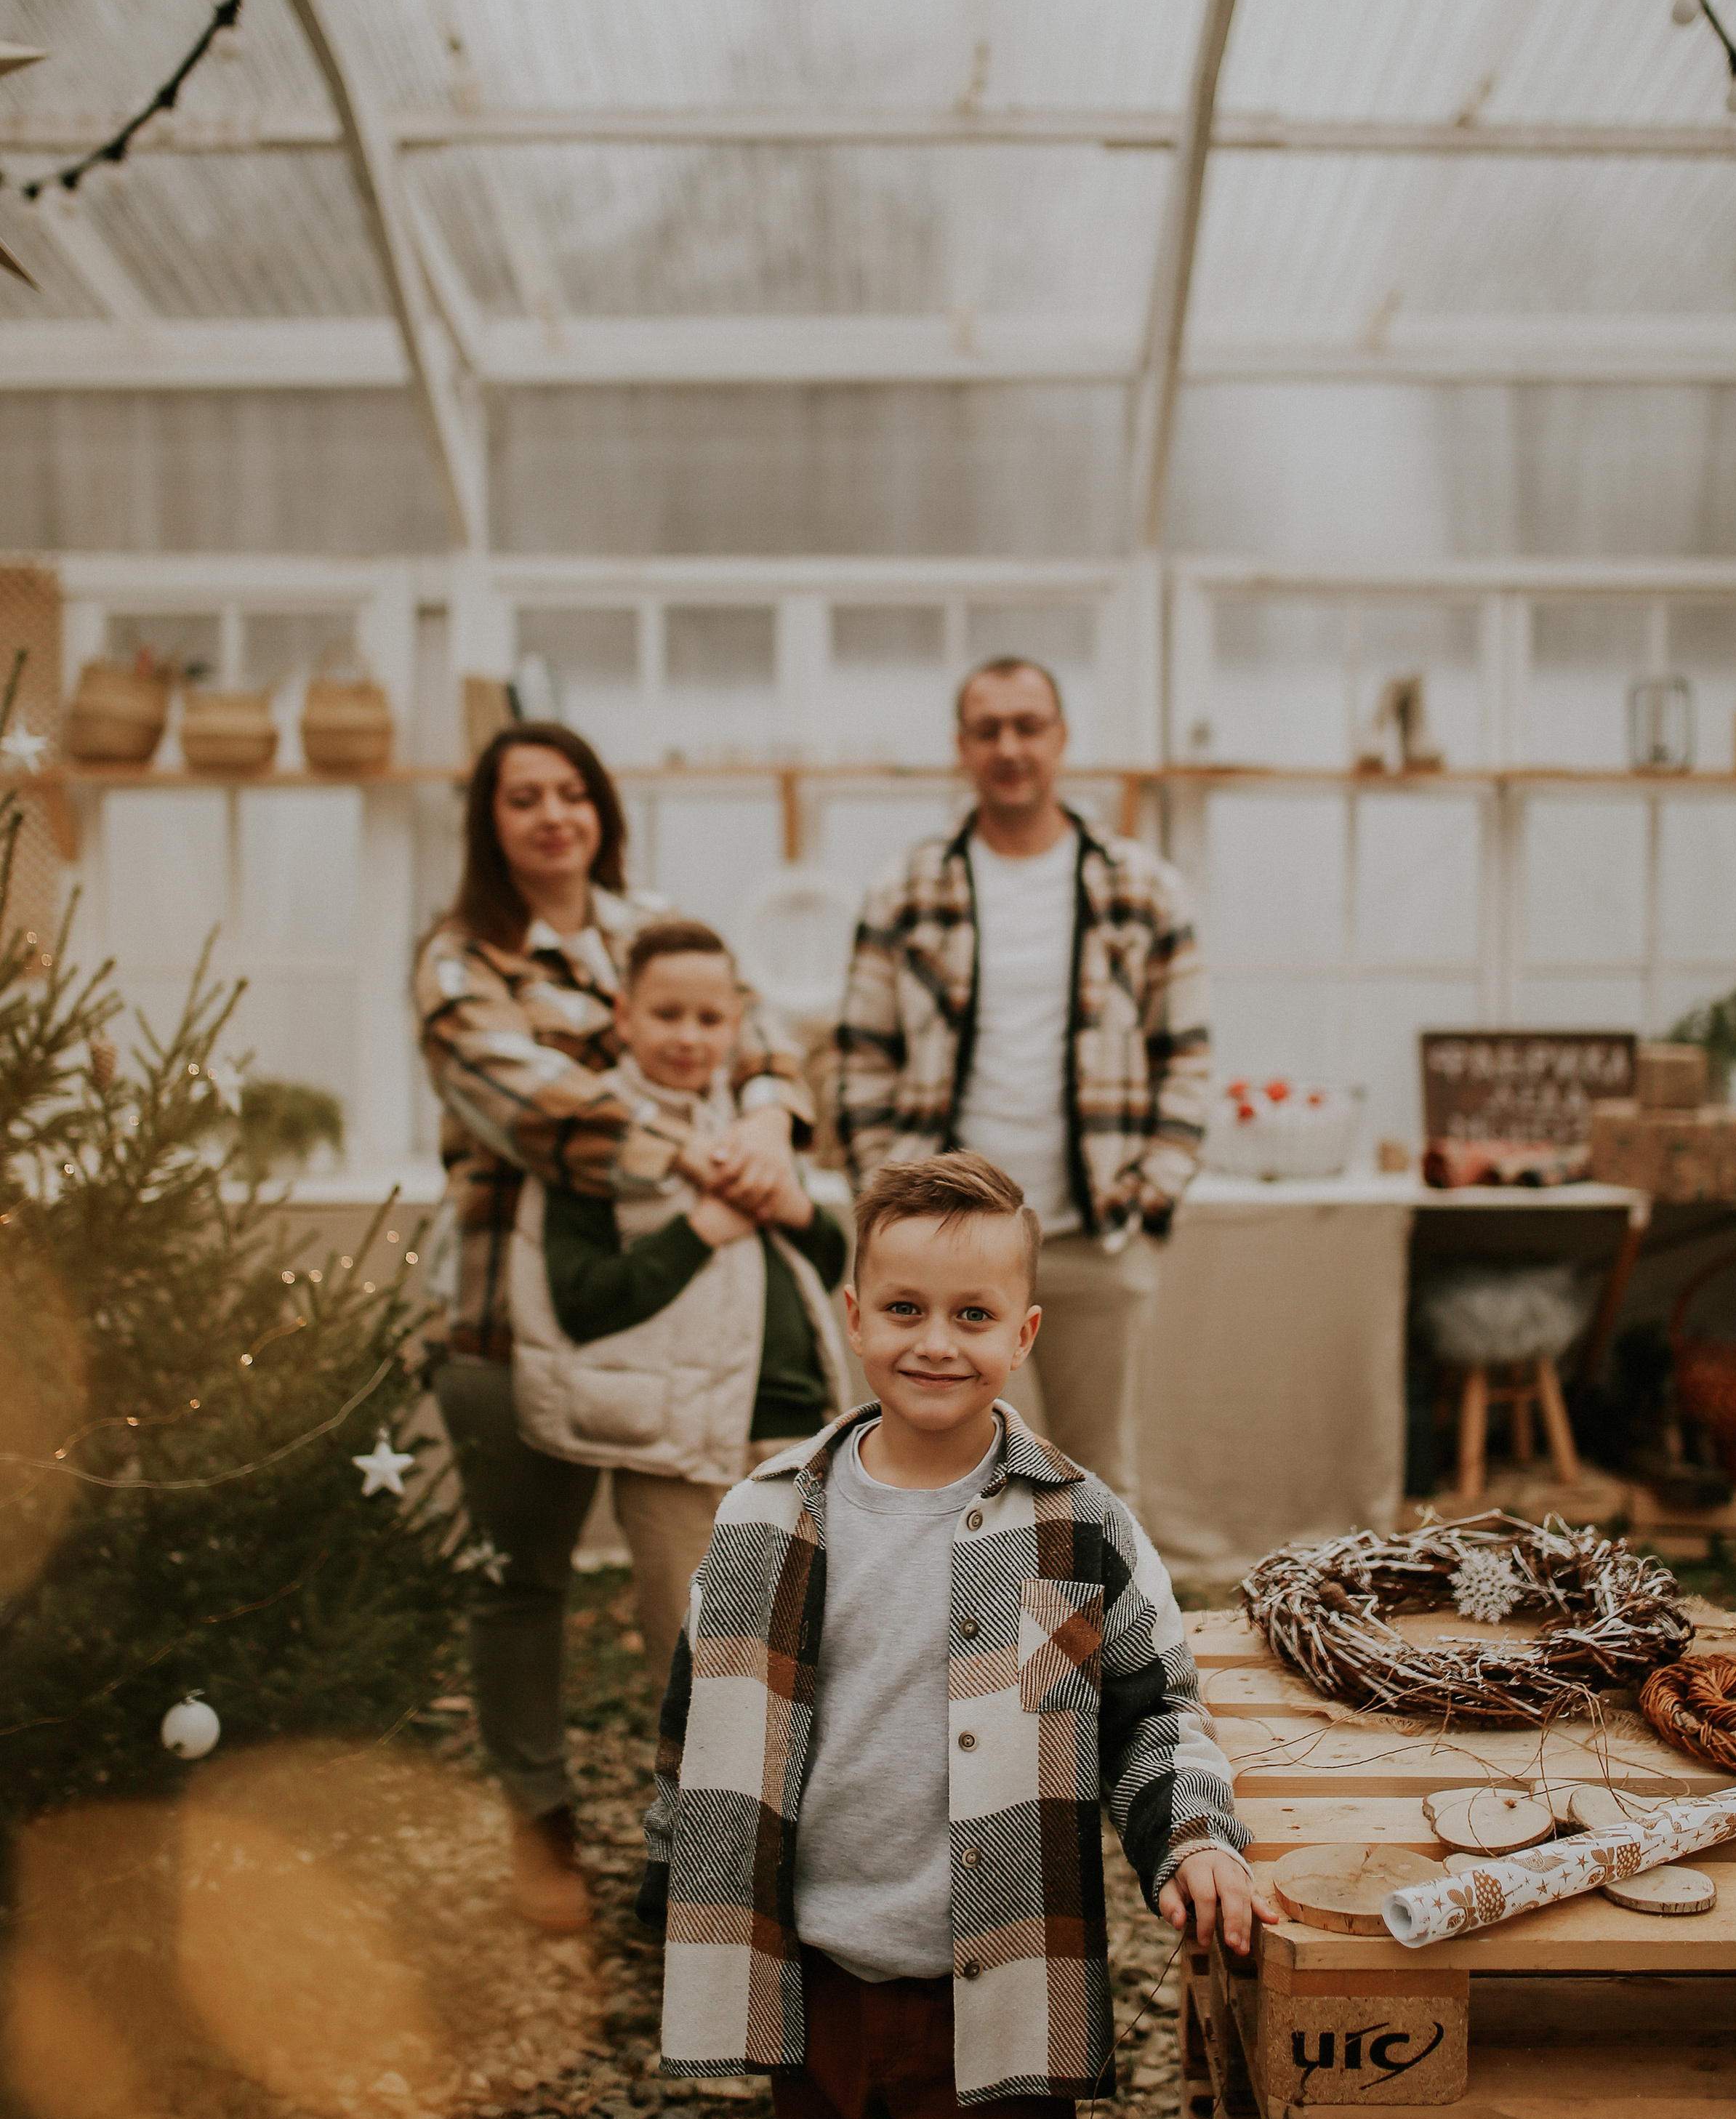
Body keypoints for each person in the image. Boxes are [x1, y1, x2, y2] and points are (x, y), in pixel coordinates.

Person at [638, 1151, 1266, 2119]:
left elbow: (1152, 1707)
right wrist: (672, 1893)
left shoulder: (1075, 1527)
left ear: (1023, 1333)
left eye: (973, 1313)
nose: (935, 1341)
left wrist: (1193, 1836)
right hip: (819, 1978)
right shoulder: (762, 1517)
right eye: (904, 1308)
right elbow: (697, 1725)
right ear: (854, 1316)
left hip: (990, 1977)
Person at [416, 722, 812, 1932]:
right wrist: (716, 1154)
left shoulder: (655, 923)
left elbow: (765, 1037)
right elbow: (533, 1101)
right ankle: (539, 1829)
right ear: (489, 818)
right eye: (522, 795)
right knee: (522, 1578)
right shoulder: (458, 957)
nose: (551, 813)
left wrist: (776, 1116)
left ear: (601, 808)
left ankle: (700, 1844)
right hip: (504, 1303)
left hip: (681, 1326)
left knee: (690, 1601)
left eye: (570, 791)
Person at [833, 655, 1210, 1508]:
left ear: (1060, 739)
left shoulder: (1143, 888)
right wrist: (882, 1202)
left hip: (1094, 1231)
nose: (1009, 747)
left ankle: (1093, 1641)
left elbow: (1183, 1053)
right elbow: (860, 1057)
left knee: (1092, 1473)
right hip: (937, 1247)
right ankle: (948, 1634)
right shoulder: (905, 888)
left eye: (1027, 726)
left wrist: (1152, 1197)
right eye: (987, 728)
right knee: (928, 1464)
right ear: (961, 746)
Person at [505, 919, 850, 1663]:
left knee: (799, 1661)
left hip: (794, 1430)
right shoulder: (590, 1137)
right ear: (624, 1017)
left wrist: (793, 1208)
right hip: (676, 1453)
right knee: (696, 1668)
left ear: (736, 1026)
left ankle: (794, 1787)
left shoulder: (752, 1126)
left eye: (708, 1018)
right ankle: (700, 1786)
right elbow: (581, 1301)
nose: (688, 1036)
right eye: (666, 1015)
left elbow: (826, 1262)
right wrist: (699, 1229)